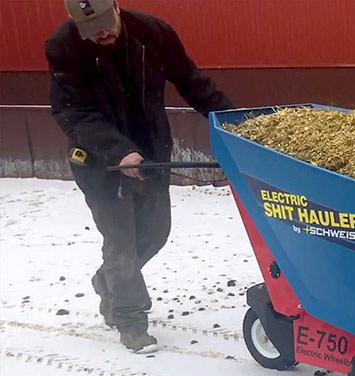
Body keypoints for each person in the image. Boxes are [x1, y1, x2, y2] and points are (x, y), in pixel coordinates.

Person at [46, 0, 232, 353]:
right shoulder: (63, 46)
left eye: (103, 21)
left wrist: (235, 123)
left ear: (116, 6)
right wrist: (119, 151)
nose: (99, 32)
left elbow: (194, 83)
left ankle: (108, 282)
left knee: (155, 233)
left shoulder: (153, 33)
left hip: (151, 154)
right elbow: (73, 112)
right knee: (122, 242)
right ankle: (130, 320)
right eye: (89, 27)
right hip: (100, 162)